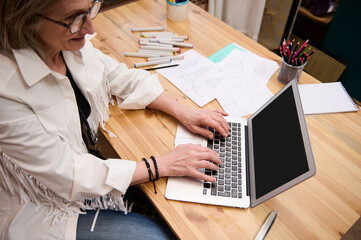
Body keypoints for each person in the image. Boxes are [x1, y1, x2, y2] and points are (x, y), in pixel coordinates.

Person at [0, 0, 230, 239]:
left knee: (178, 208)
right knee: (161, 234)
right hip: (42, 205)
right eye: (75, 19)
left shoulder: (66, 38)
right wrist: (161, 165)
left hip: (88, 171)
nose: (91, 29)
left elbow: (115, 75)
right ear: (27, 20)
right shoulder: (5, 92)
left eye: (90, 9)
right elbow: (70, 173)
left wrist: (183, 111)